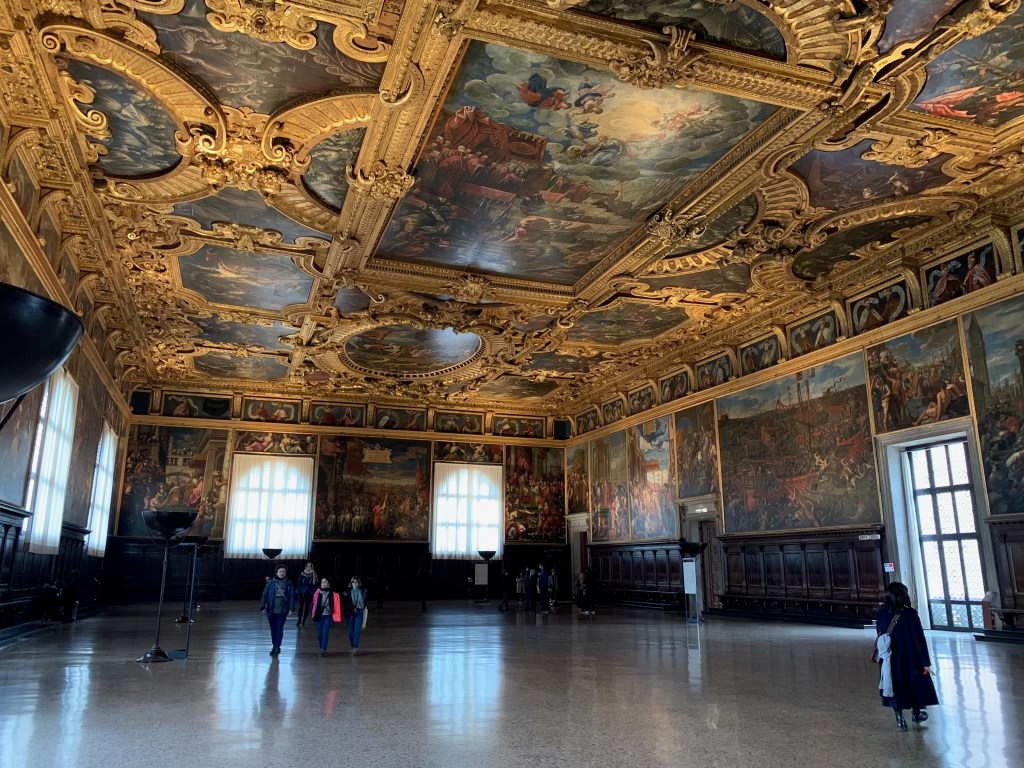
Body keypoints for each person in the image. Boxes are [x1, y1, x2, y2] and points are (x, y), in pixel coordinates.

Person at [875, 582, 939, 730]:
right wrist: (925, 661)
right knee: (913, 686)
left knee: (894, 686)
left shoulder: (881, 613)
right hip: (911, 658)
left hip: (890, 659)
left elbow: (880, 633)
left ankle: (899, 719)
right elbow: (919, 639)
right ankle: (916, 713)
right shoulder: (910, 614)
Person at [259, 565, 295, 657]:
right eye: (280, 571)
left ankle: (277, 647)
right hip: (271, 610)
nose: (282, 573)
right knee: (273, 629)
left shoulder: (289, 583)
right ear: (277, 572)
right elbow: (264, 594)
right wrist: (262, 606)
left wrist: (291, 609)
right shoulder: (271, 583)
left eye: (284, 571)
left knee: (279, 628)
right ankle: (274, 645)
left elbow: (292, 597)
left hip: (283, 610)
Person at [310, 577, 342, 656]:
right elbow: (314, 604)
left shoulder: (333, 594)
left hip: (327, 616)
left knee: (325, 632)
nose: (323, 583)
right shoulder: (317, 593)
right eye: (322, 582)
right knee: (320, 633)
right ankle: (321, 648)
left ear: (328, 584)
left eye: (325, 582)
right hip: (319, 616)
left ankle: (323, 649)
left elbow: (336, 606)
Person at [342, 575, 368, 655]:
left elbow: (365, 605)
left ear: (359, 583)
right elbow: (343, 602)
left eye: (357, 582)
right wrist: (349, 607)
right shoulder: (347, 591)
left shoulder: (363, 591)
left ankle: (355, 648)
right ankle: (353, 646)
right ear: (351, 582)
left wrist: (364, 622)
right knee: (350, 632)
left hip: (359, 612)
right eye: (353, 582)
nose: (355, 583)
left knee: (357, 631)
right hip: (350, 613)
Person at [295, 562, 318, 627]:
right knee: (301, 607)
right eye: (307, 566)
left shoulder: (314, 575)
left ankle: (303, 621)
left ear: (312, 567)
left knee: (307, 608)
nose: (308, 567)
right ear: (305, 567)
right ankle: (299, 620)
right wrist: (300, 592)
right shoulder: (302, 574)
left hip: (309, 594)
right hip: (302, 594)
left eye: (310, 566)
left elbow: (315, 585)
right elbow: (299, 584)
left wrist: (312, 593)